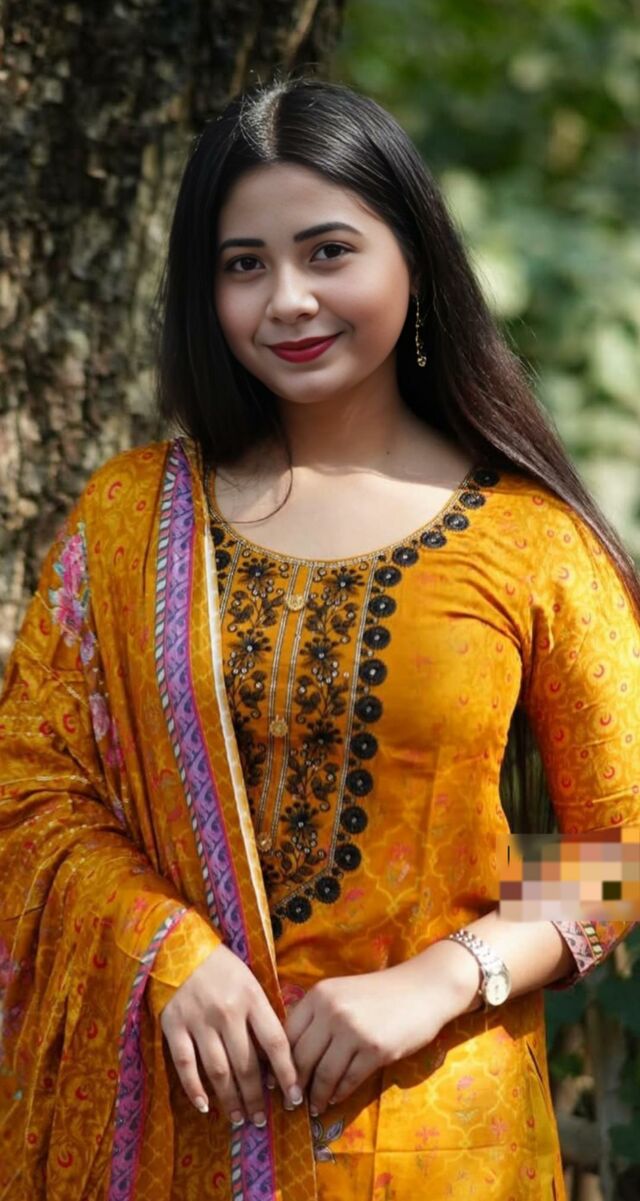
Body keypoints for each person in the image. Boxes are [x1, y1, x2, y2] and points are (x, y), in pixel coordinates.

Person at [0, 72, 638, 1201]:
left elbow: (620, 842)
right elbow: (29, 787)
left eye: (328, 251)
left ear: (413, 257)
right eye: (244, 265)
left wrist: (444, 977)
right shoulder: (132, 517)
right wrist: (165, 949)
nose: (288, 299)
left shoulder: (531, 540)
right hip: (181, 1129)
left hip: (441, 1141)